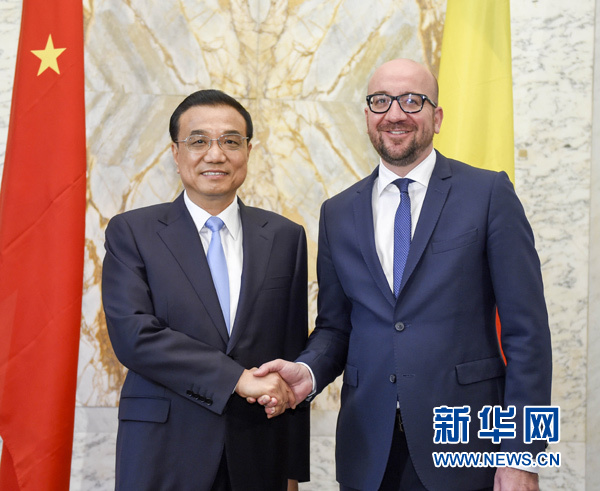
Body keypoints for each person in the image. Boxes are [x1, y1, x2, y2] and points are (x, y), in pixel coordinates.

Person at [254, 59, 552, 490]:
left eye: (412, 100)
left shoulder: (488, 194)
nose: (395, 113)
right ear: (367, 116)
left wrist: (522, 455)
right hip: (368, 453)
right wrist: (310, 371)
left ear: (437, 116)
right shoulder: (338, 212)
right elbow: (336, 327)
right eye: (381, 101)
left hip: (466, 447)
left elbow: (527, 333)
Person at [102, 89, 310, 491]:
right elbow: (134, 336)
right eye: (198, 141)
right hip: (163, 453)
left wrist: (291, 471)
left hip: (258, 453)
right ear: (175, 153)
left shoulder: (285, 237)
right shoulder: (133, 232)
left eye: (231, 141)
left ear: (248, 151)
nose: (215, 155)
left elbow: (291, 355)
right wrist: (236, 379)